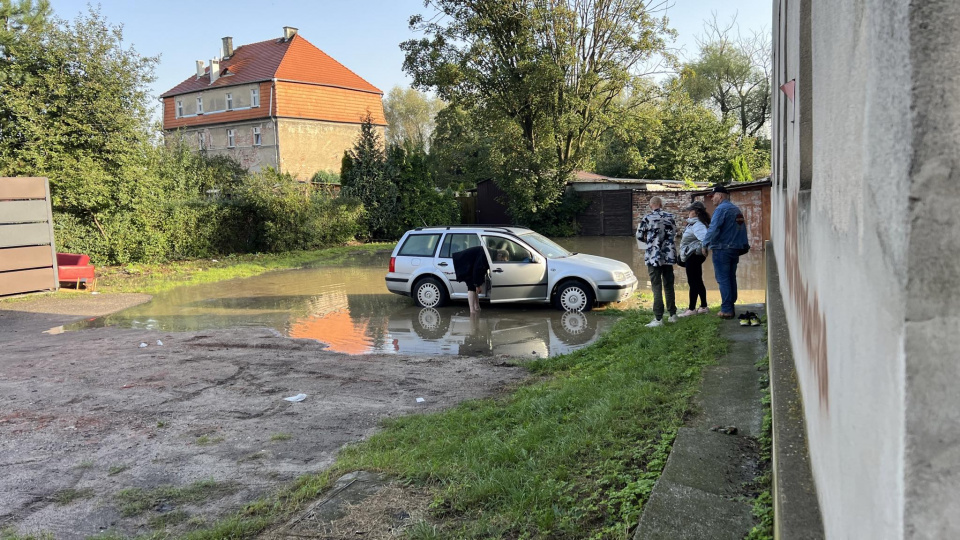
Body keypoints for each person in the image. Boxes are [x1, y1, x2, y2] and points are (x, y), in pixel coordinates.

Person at [702, 184, 750, 319]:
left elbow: (713, 228)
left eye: (713, 196)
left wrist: (705, 244)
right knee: (730, 277)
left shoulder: (721, 210)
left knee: (723, 279)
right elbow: (741, 230)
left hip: (722, 249)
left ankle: (727, 309)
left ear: (720, 196)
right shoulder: (735, 209)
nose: (712, 199)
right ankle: (730, 305)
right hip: (734, 249)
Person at [636, 196, 677, 327]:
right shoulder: (670, 217)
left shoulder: (647, 218)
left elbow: (638, 236)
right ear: (661, 204)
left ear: (651, 205)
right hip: (668, 256)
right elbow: (674, 232)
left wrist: (650, 241)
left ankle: (658, 319)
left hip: (654, 256)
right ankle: (673, 315)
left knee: (656, 286)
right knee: (669, 285)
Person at [677, 201, 711, 317]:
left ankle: (692, 309)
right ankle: (703, 306)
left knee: (693, 282)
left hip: (693, 256)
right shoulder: (694, 223)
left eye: (690, 210)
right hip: (693, 255)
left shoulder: (698, 225)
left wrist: (703, 248)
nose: (689, 212)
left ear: (696, 212)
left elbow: (705, 238)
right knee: (698, 281)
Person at [451, 245, 490, 314]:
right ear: (499, 255)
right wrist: (478, 285)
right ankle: (472, 310)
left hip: (469, 265)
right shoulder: (485, 254)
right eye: (503, 259)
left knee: (473, 286)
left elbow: (481, 270)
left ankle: (477, 307)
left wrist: (478, 285)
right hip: (464, 264)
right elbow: (477, 270)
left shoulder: (486, 253)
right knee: (471, 287)